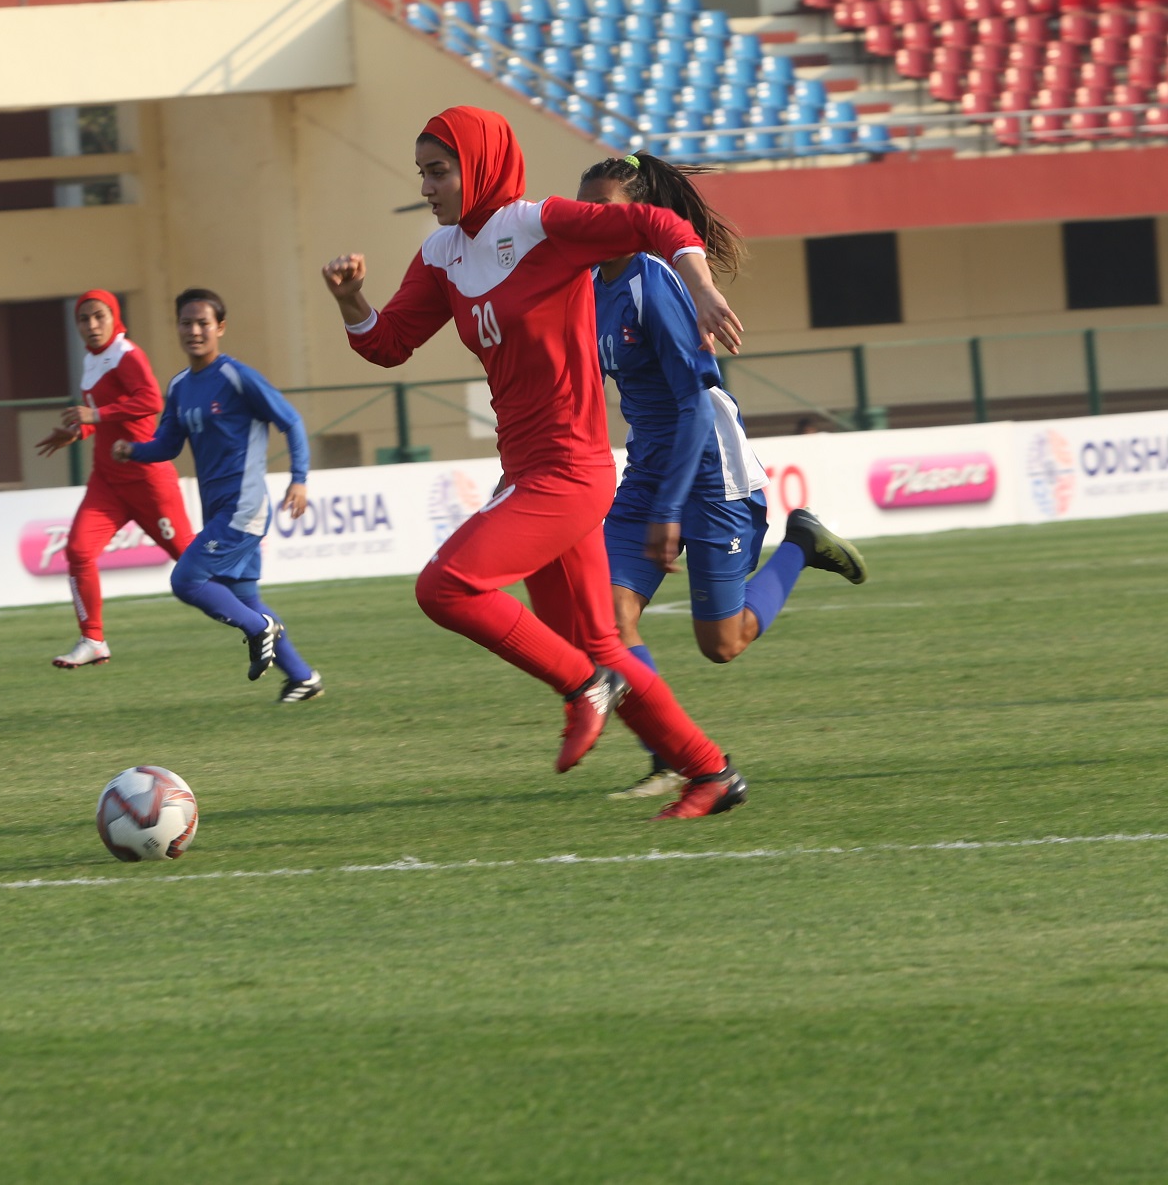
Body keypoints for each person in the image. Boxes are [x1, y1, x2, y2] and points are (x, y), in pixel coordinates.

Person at [319, 105, 748, 819]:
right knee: (599, 639)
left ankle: (586, 687)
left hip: (570, 471)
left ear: (480, 164)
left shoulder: (541, 224)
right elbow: (389, 343)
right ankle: (710, 772)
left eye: (438, 171)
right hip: (525, 472)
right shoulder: (441, 254)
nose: (426, 187)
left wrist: (701, 285)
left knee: (445, 588)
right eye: (422, 173)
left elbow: (658, 226)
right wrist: (353, 300)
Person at [580, 154, 868, 801]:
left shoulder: (655, 284)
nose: (590, 220)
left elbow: (690, 405)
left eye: (606, 209)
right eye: (584, 208)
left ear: (638, 220)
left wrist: (669, 508)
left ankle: (802, 544)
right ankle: (671, 756)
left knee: (724, 641)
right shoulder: (591, 283)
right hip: (650, 465)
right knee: (606, 615)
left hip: (708, 470)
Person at [112, 288, 323, 703]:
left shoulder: (235, 376)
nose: (194, 330)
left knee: (187, 579)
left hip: (243, 507)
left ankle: (258, 629)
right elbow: (167, 445)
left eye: (203, 323)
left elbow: (291, 421)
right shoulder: (179, 386)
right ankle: (302, 677)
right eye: (186, 323)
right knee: (245, 598)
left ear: (220, 328)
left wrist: (299, 478)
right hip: (218, 511)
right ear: (177, 327)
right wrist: (133, 450)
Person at [35, 289, 194, 668]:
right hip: (107, 480)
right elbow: (104, 417)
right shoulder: (92, 361)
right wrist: (80, 431)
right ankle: (93, 639)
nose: (91, 325)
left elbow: (151, 400)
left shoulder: (126, 354)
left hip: (146, 478)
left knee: (191, 565)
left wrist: (95, 417)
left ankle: (255, 619)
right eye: (83, 318)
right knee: (77, 550)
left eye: (99, 316)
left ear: (114, 317)